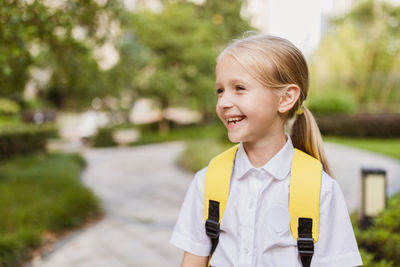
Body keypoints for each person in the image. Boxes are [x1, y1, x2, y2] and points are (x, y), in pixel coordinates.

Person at [170, 34, 363, 267]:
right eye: (220, 90)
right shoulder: (207, 181)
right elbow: (193, 260)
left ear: (286, 98)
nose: (223, 102)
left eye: (239, 88)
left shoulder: (321, 190)